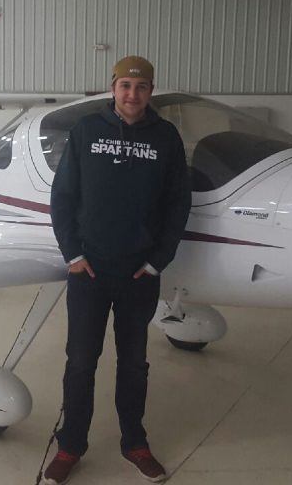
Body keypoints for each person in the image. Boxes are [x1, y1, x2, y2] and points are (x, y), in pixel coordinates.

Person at [44, 56, 192, 485]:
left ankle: (135, 443)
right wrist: (72, 254)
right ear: (113, 88)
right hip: (88, 272)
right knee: (80, 363)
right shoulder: (87, 131)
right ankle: (71, 444)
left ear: (150, 92)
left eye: (141, 87)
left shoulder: (165, 137)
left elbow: (178, 203)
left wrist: (157, 260)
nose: (132, 94)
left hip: (138, 275)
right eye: (125, 85)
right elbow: (63, 196)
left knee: (133, 364)